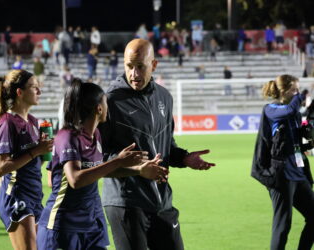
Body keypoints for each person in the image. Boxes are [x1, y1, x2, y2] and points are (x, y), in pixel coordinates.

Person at [99, 38, 215, 250]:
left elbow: (167, 145)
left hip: (161, 199)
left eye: (140, 67)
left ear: (154, 65)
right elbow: (98, 159)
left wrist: (184, 158)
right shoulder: (110, 102)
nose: (134, 74)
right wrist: (137, 169)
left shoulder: (165, 97)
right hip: (126, 202)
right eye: (129, 66)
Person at [37, 78, 168, 249]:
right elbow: (75, 179)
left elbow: (97, 170)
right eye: (106, 102)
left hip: (91, 224)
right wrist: (118, 161)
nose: (108, 107)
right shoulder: (67, 136)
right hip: (63, 226)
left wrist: (138, 171)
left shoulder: (95, 135)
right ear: (99, 108)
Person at [0, 69, 54, 250]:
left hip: (34, 195)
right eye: (34, 87)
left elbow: (32, 161)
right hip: (16, 195)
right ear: (20, 92)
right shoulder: (7, 123)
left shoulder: (33, 121)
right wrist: (35, 152)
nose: (39, 92)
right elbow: (1, 168)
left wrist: (44, 151)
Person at [251, 75, 314, 250]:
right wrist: (300, 98)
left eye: (298, 90)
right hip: (280, 175)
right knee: (283, 225)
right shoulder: (271, 109)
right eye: (294, 90)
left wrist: (309, 120)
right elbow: (287, 111)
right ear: (283, 91)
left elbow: (305, 140)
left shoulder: (294, 112)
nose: (297, 93)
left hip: (298, 171)